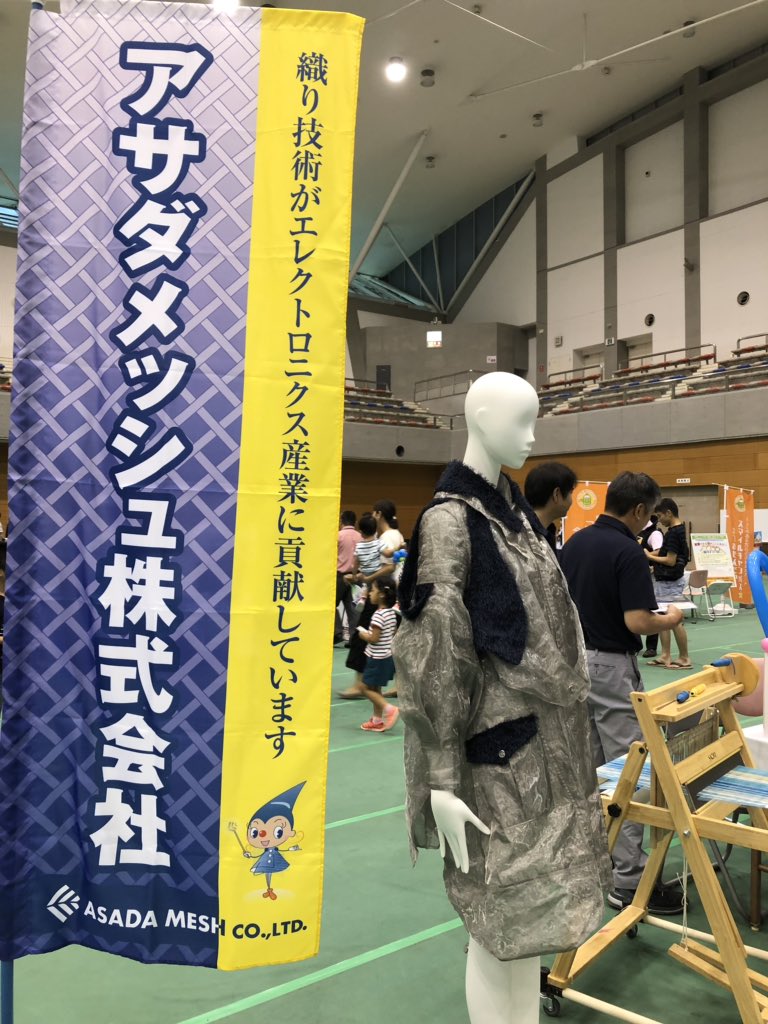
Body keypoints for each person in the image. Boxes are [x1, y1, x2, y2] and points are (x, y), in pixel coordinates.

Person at [393, 372, 611, 1024]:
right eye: (521, 421)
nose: (532, 437)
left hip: (548, 749)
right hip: (496, 761)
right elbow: (432, 655)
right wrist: (440, 780)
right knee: (497, 922)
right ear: (481, 416)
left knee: (531, 925)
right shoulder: (450, 522)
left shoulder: (514, 516)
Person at [560, 471, 685, 914]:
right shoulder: (627, 551)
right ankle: (630, 881)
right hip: (611, 667)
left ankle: (602, 863)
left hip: (575, 663)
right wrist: (670, 619)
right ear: (639, 510)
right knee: (627, 771)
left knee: (595, 771)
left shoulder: (575, 543)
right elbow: (637, 621)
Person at [338, 502, 399, 701]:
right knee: (390, 640)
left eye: (374, 511)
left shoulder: (386, 538)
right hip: (383, 593)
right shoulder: (389, 538)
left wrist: (364, 578)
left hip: (380, 595)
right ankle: (390, 685)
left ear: (379, 514)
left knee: (362, 635)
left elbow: (388, 568)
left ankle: (361, 684)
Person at [645, 498, 692, 669]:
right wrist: (651, 554)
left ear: (668, 513)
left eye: (659, 516)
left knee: (674, 620)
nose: (659, 520)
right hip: (666, 581)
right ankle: (665, 655)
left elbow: (670, 560)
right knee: (663, 618)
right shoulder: (676, 530)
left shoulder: (673, 533)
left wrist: (648, 556)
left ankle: (684, 658)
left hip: (670, 582)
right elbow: (666, 552)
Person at [356, 577, 400, 733]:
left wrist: (363, 635)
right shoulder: (391, 613)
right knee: (375, 689)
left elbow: (374, 639)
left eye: (373, 590)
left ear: (381, 594)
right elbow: (392, 633)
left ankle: (389, 709)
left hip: (377, 658)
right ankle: (377, 720)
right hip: (386, 657)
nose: (369, 593)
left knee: (363, 688)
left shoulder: (378, 615)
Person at [523, 460, 577, 551]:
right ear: (556, 494)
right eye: (570, 493)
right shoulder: (524, 538)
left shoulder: (539, 532)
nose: (571, 501)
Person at [637, 514, 663, 658]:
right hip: (635, 574)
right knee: (634, 609)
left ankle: (651, 647)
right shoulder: (635, 531)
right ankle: (635, 644)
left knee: (652, 610)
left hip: (651, 576)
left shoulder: (654, 533)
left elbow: (659, 551)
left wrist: (641, 556)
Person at [334, 511, 361, 646]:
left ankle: (337, 632)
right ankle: (353, 638)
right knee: (353, 609)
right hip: (356, 576)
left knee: (330, 605)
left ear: (341, 521)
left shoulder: (337, 536)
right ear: (355, 522)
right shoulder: (360, 537)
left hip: (339, 576)